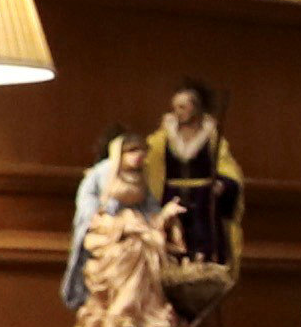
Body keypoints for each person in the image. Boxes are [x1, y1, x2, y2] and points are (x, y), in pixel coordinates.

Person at [61, 128, 166, 310]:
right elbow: (86, 200)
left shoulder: (141, 176)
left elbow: (150, 206)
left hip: (134, 228)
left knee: (148, 246)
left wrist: (160, 217)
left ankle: (137, 306)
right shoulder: (101, 173)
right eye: (132, 151)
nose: (138, 156)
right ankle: (117, 306)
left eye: (141, 151)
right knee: (125, 252)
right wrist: (103, 217)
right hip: (107, 227)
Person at [150, 79, 244, 268]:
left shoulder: (211, 139)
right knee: (174, 242)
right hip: (172, 198)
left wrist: (223, 183)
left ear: (196, 108)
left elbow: (228, 168)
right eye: (175, 107)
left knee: (204, 245)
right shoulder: (162, 139)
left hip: (202, 201)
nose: (178, 112)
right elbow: (152, 165)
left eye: (183, 107)